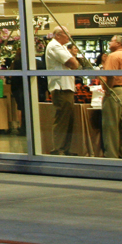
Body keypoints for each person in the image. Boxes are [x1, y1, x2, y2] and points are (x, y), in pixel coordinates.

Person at [44, 26, 82, 156]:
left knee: (69, 119)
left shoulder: (62, 47)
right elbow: (73, 64)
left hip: (66, 87)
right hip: (61, 87)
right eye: (66, 34)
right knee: (62, 119)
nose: (69, 36)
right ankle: (58, 148)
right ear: (58, 35)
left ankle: (65, 148)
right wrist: (74, 60)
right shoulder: (55, 46)